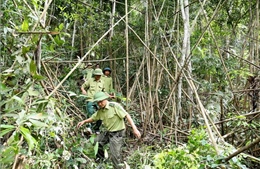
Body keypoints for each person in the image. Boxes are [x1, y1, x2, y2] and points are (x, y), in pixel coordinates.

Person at [77, 92, 141, 169]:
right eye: (98, 102)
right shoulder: (101, 111)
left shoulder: (114, 106)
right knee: (96, 141)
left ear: (105, 99)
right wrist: (84, 121)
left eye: (101, 101)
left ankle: (118, 167)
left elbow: (127, 115)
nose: (99, 104)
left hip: (118, 133)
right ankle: (101, 161)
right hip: (109, 132)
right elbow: (93, 118)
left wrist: (135, 129)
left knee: (115, 156)